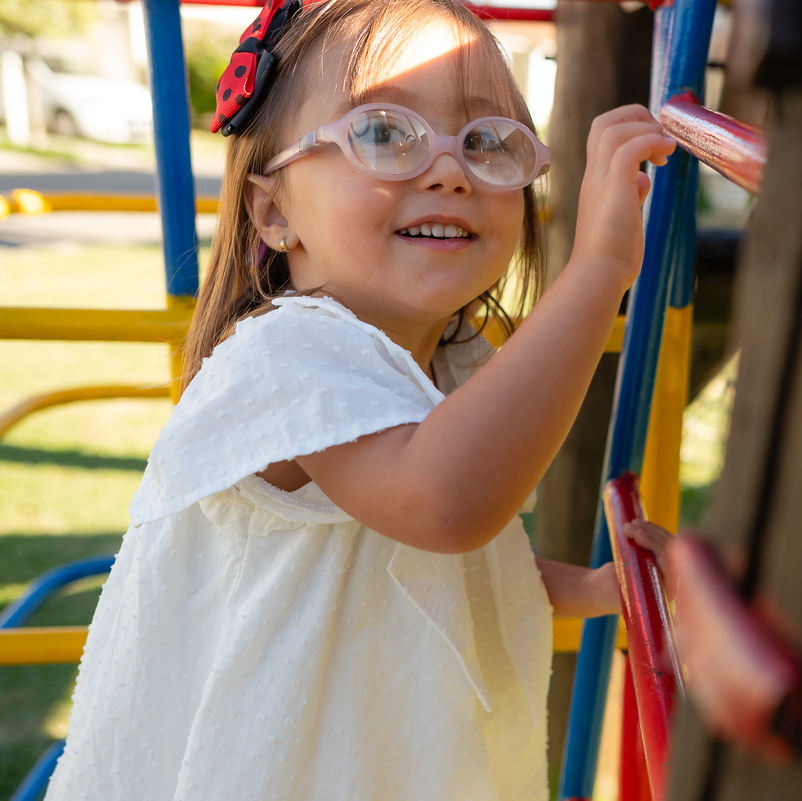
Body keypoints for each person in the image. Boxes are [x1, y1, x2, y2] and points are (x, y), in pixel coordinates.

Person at [44, 0, 675, 798]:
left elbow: (433, 554)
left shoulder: (452, 359)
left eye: (485, 143)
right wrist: (599, 270)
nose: (450, 170)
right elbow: (444, 504)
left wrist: (577, 587)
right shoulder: (287, 355)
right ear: (274, 212)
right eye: (382, 132)